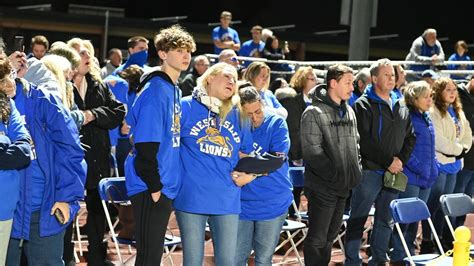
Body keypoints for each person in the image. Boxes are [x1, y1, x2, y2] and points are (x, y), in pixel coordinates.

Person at [5, 54, 86, 266]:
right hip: (6, 212)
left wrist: (67, 198)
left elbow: (70, 149)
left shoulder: (42, 100)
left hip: (44, 207)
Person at [124, 25, 196, 266]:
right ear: (163, 54)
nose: (186, 55)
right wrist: (155, 186)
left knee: (152, 256)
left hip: (163, 182)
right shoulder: (156, 90)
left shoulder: (172, 88)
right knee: (148, 257)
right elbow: (145, 144)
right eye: (179, 50)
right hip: (150, 184)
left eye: (188, 50)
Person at [173, 62, 254, 266]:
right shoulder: (184, 106)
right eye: (227, 76)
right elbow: (168, 146)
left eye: (235, 79)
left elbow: (247, 154)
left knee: (228, 262)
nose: (232, 82)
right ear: (209, 77)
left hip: (227, 198)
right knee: (192, 262)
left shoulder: (239, 115)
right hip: (191, 197)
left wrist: (251, 175)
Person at [344, 58, 416, 266]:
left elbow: (410, 136)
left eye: (393, 75)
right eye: (386, 75)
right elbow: (363, 141)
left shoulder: (401, 103)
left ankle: (378, 260)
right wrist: (389, 161)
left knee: (386, 220)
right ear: (374, 78)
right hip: (370, 172)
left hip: (393, 173)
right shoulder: (363, 105)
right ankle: (352, 261)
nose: (391, 78)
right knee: (358, 217)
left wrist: (400, 160)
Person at [68, 37, 126, 266]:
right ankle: (66, 257)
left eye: (88, 53)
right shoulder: (59, 85)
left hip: (97, 157)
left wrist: (92, 115)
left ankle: (96, 258)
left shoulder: (97, 84)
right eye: (81, 53)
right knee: (68, 208)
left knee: (97, 211)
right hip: (71, 158)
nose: (87, 57)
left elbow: (117, 111)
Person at [301, 64, 362, 265]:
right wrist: (337, 177)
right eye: (348, 83)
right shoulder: (314, 112)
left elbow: (356, 145)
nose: (352, 87)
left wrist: (356, 171)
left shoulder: (350, 111)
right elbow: (313, 153)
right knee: (317, 239)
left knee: (329, 238)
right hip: (322, 187)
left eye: (352, 83)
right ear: (333, 83)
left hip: (343, 187)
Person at [235, 86, 292, 265]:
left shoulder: (276, 123)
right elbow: (231, 161)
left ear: (263, 104)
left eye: (258, 111)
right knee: (236, 259)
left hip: (272, 202)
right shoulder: (235, 124)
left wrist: (247, 165)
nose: (254, 118)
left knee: (263, 259)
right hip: (241, 204)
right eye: (248, 114)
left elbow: (275, 161)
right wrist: (260, 163)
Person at [389, 81, 438, 263]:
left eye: (430, 96)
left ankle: (408, 255)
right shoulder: (407, 116)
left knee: (415, 220)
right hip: (411, 177)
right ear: (414, 98)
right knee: (404, 221)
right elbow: (404, 148)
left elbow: (430, 148)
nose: (429, 100)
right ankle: (398, 256)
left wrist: (434, 167)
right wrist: (421, 168)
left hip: (426, 177)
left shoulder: (426, 117)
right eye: (426, 96)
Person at [421, 77, 472, 253]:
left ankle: (440, 238)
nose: (452, 93)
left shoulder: (458, 111)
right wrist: (460, 150)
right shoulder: (433, 111)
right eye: (448, 90)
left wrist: (462, 149)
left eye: (453, 90)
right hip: (440, 164)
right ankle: (427, 240)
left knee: (445, 207)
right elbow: (439, 141)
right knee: (433, 205)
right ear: (439, 92)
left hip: (455, 165)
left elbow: (467, 134)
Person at [0, 57, 31, 265]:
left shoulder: (8, 106)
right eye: (6, 76)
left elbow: (24, 151)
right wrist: (5, 140)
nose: (12, 80)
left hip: (4, 206)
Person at [277, 67, 317, 218]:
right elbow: (292, 130)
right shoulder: (291, 101)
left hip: (312, 156)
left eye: (316, 79)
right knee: (292, 191)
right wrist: (296, 153)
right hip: (295, 155)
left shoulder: (318, 102)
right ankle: (287, 220)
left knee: (307, 192)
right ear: (302, 81)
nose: (316, 82)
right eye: (311, 79)